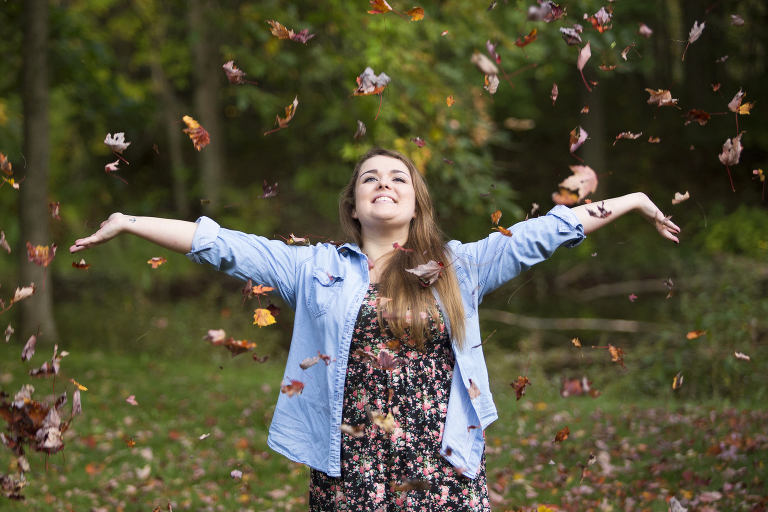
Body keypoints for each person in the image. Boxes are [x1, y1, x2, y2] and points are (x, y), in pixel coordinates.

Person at [70, 147, 680, 511]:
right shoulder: (313, 269)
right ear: (354, 207)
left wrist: (629, 201)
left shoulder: (458, 267)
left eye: (397, 178)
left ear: (416, 203)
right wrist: (127, 219)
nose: (383, 184)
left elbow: (547, 232)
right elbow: (221, 245)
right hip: (350, 461)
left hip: (444, 460)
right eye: (370, 178)